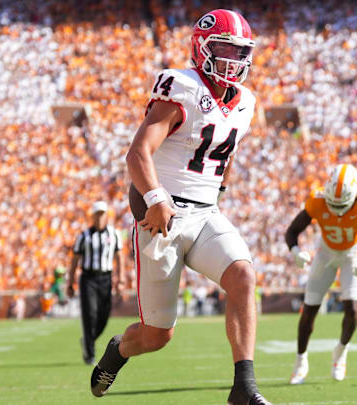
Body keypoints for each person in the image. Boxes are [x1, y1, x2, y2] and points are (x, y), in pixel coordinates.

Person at [89, 10, 270, 405]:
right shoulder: (182, 85)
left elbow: (226, 154)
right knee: (157, 336)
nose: (233, 59)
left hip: (205, 213)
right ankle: (117, 352)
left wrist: (217, 192)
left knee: (243, 275)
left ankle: (244, 386)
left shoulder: (246, 103)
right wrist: (154, 199)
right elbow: (138, 152)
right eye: (224, 48)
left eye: (241, 52)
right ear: (202, 47)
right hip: (162, 217)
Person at [285, 163, 357, 384]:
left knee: (353, 309)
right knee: (309, 309)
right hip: (325, 253)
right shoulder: (317, 201)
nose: (336, 210)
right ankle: (300, 361)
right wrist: (295, 252)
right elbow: (291, 231)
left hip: (353, 253)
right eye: (332, 203)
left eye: (342, 205)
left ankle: (340, 353)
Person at [67, 201, 124, 364]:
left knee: (104, 315)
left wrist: (120, 280)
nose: (100, 218)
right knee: (89, 314)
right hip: (88, 278)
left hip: (106, 278)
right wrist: (70, 283)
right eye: (97, 214)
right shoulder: (84, 236)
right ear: (92, 216)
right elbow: (75, 260)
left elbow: (119, 258)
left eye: (102, 214)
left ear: (106, 216)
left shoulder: (114, 234)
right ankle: (90, 353)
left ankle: (87, 340)